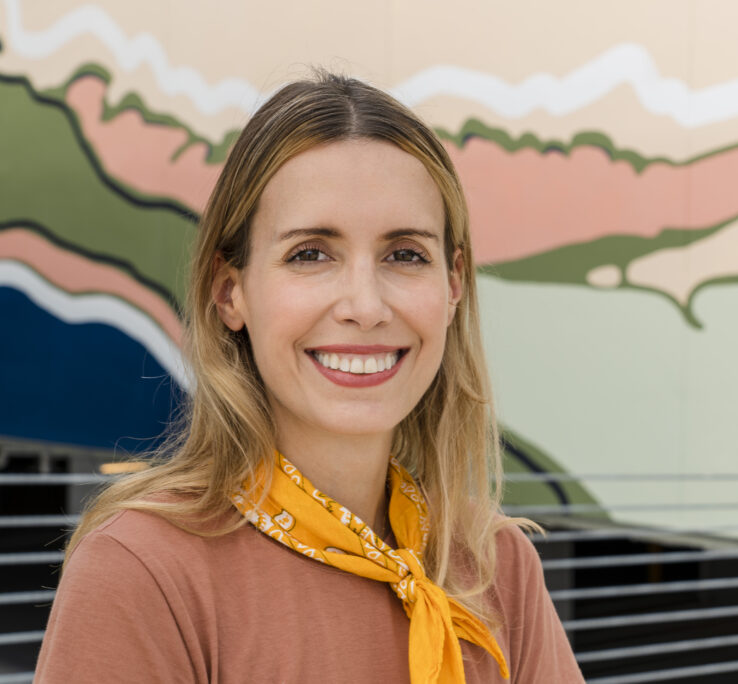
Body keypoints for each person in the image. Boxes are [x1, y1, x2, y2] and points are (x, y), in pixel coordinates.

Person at [34, 71, 584, 684]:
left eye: (405, 254)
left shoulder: (497, 567)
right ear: (230, 291)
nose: (365, 305)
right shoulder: (144, 570)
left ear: (453, 286)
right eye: (310, 254)